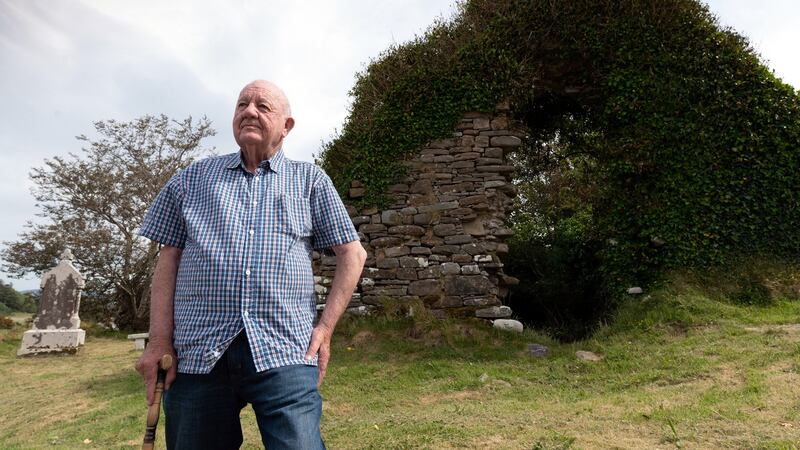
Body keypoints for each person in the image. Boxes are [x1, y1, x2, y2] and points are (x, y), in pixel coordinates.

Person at [135, 80, 366, 449]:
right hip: (198, 353)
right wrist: (158, 341)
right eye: (242, 104)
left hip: (286, 349)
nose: (249, 111)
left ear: (287, 126)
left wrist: (325, 328)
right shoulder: (192, 179)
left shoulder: (310, 181)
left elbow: (353, 254)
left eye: (262, 106)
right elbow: (169, 257)